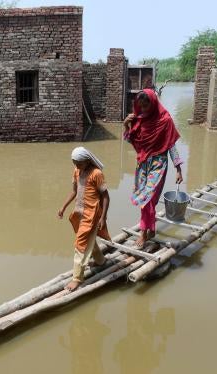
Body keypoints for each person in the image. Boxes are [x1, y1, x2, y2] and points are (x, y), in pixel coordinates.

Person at [123, 89, 183, 248]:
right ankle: (151, 229)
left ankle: (143, 233)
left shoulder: (165, 120)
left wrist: (178, 169)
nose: (143, 110)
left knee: (147, 198)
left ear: (153, 103)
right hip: (143, 164)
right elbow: (132, 141)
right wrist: (126, 125)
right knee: (146, 198)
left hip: (158, 164)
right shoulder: (140, 119)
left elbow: (171, 146)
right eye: (140, 106)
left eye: (146, 106)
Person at [58, 146, 111, 292]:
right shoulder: (76, 171)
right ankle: (100, 261)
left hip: (92, 214)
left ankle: (77, 278)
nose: (76, 166)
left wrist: (103, 217)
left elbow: (106, 196)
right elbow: (74, 191)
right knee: (88, 239)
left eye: (78, 163)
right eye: (74, 163)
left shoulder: (96, 174)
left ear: (87, 161)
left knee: (80, 244)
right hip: (79, 212)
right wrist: (63, 207)